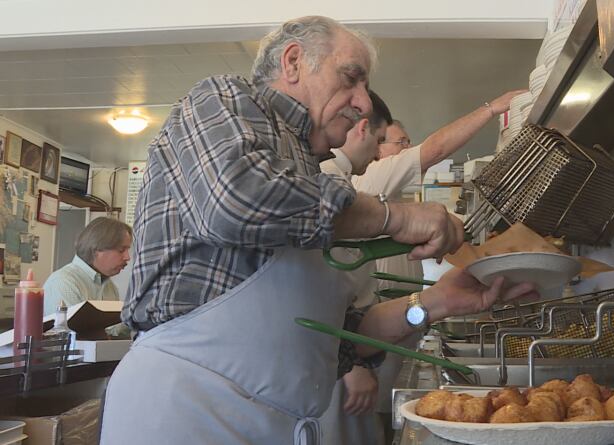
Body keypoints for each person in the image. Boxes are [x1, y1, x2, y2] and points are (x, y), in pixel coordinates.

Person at [100, 16, 536, 445]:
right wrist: (396, 217)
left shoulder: (312, 177)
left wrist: (435, 302)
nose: (363, 103)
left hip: (269, 424)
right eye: (351, 79)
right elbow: (237, 200)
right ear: (292, 63)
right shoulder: (222, 99)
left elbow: (344, 341)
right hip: (187, 413)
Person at [350, 91, 524, 434]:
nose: (397, 148)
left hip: (386, 329)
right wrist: (493, 108)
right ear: (362, 131)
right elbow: (435, 150)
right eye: (388, 140)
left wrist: (435, 300)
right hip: (367, 345)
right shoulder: (368, 180)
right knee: (376, 423)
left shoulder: (383, 197)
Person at [318, 91, 392, 445]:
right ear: (361, 127)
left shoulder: (340, 180)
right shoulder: (329, 181)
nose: (379, 153)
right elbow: (328, 288)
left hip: (349, 347)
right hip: (339, 357)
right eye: (379, 141)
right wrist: (356, 364)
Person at [43, 217, 131, 315]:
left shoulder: (110, 287)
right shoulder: (64, 283)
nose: (127, 257)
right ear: (97, 249)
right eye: (121, 250)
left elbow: (115, 329)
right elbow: (68, 329)